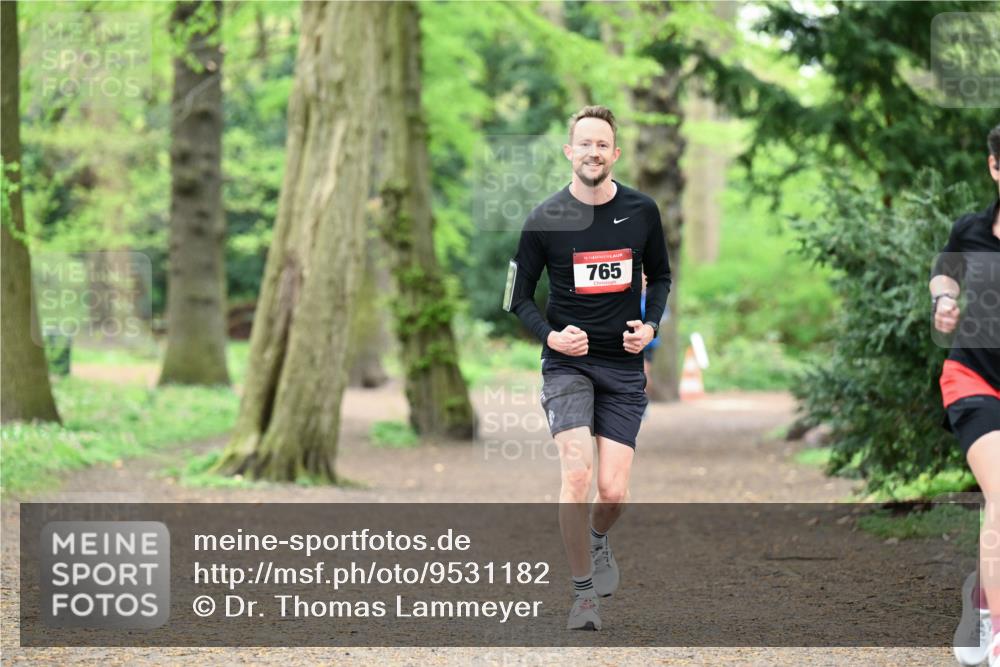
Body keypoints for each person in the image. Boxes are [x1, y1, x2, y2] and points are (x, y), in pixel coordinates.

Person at [503, 105, 670, 630]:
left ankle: (599, 541)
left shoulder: (643, 211)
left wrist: (651, 327)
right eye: (585, 144)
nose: (593, 153)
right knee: (577, 472)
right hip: (567, 366)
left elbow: (661, 277)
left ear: (614, 154)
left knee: (613, 493)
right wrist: (552, 335)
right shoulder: (544, 219)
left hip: (621, 366)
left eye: (603, 145)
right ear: (569, 152)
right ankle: (582, 596)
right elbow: (517, 296)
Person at [931, 123, 1000, 667]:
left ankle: (981, 590)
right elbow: (944, 276)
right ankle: (994, 628)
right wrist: (944, 302)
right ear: (994, 168)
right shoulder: (972, 230)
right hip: (973, 378)